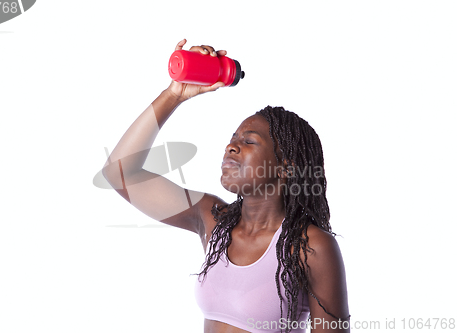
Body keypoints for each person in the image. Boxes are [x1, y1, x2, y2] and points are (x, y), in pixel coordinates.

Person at [102, 39, 350, 333]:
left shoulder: (310, 247)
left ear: (287, 166)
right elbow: (119, 172)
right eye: (232, 138)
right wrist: (174, 95)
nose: (231, 147)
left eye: (248, 142)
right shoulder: (213, 220)